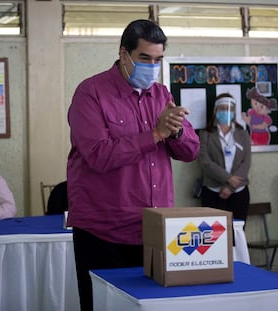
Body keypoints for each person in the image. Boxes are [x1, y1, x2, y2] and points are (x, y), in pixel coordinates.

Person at [66, 19, 199, 311]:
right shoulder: (91, 93)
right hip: (104, 233)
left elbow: (191, 151)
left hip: (154, 231)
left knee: (150, 307)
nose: (152, 66)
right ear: (124, 54)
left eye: (158, 59)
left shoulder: (162, 94)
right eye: (144, 58)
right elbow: (99, 155)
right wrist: (156, 134)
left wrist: (176, 131)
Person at [199, 93, 251, 221]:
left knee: (237, 233)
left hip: (238, 192)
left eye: (230, 109)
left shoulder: (243, 134)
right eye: (222, 108)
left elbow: (246, 161)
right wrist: (228, 178)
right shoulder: (205, 134)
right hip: (213, 191)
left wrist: (230, 186)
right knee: (215, 235)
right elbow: (205, 162)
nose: (226, 112)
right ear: (216, 110)